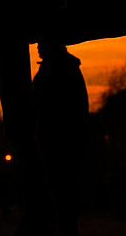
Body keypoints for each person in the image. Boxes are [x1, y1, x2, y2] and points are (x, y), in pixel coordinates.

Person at [32, 44, 88, 236]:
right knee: (63, 194)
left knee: (59, 193)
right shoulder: (66, 69)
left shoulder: (55, 70)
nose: (38, 46)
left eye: (42, 43)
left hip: (56, 140)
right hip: (61, 140)